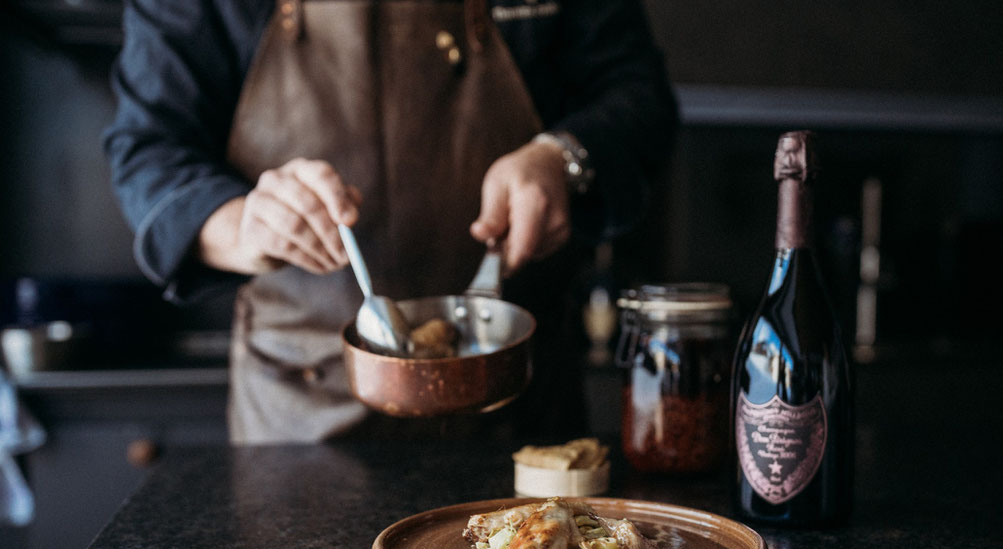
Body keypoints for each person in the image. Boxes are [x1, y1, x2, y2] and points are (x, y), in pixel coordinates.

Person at [104, 0, 678, 444]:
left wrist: (563, 157)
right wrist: (245, 224)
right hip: (297, 421)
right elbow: (148, 148)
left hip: (517, 403)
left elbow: (640, 97)